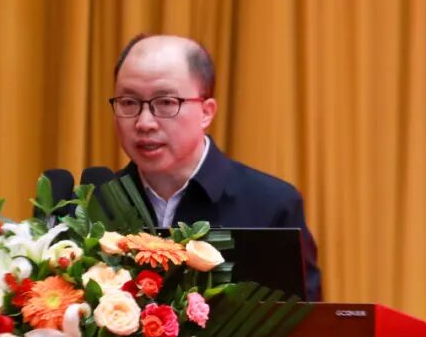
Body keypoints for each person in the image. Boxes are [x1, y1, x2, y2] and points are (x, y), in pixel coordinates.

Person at [110, 33, 322, 301]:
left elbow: (305, 320)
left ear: (206, 112)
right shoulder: (93, 206)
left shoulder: (270, 207)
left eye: (166, 103)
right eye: (128, 103)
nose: (144, 123)